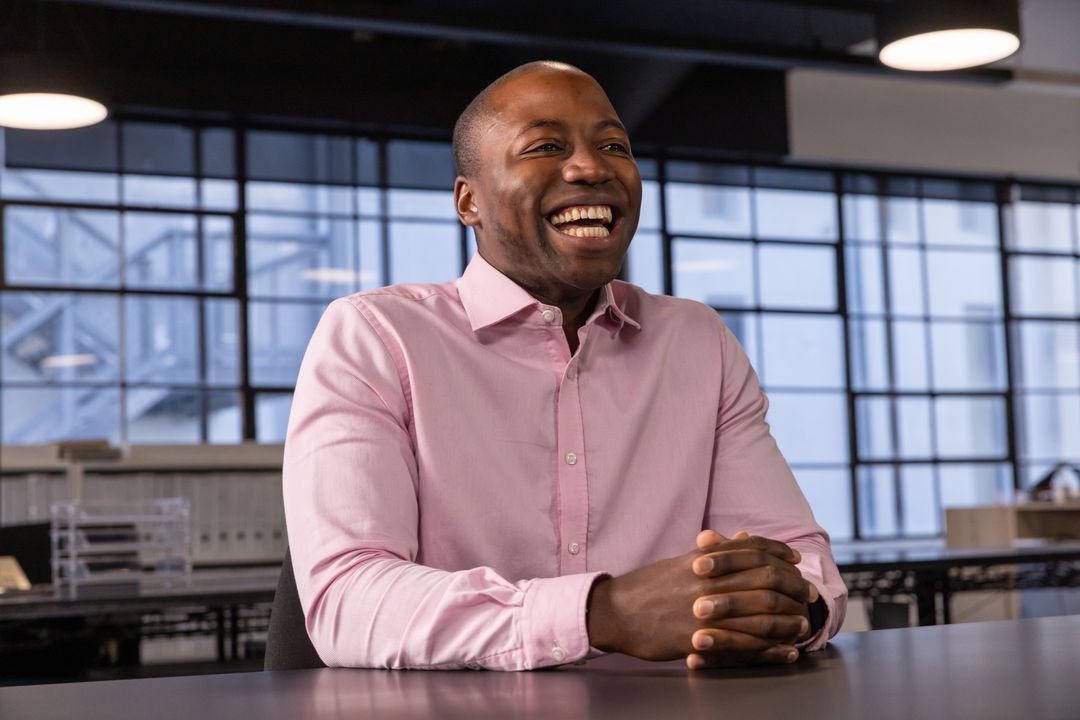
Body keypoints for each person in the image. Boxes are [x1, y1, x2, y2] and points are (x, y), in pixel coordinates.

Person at [283, 60, 847, 671]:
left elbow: (801, 562)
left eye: (613, 146)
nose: (591, 168)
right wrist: (604, 613)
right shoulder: (375, 336)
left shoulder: (697, 341)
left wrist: (784, 607)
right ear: (469, 201)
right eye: (546, 147)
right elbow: (348, 602)